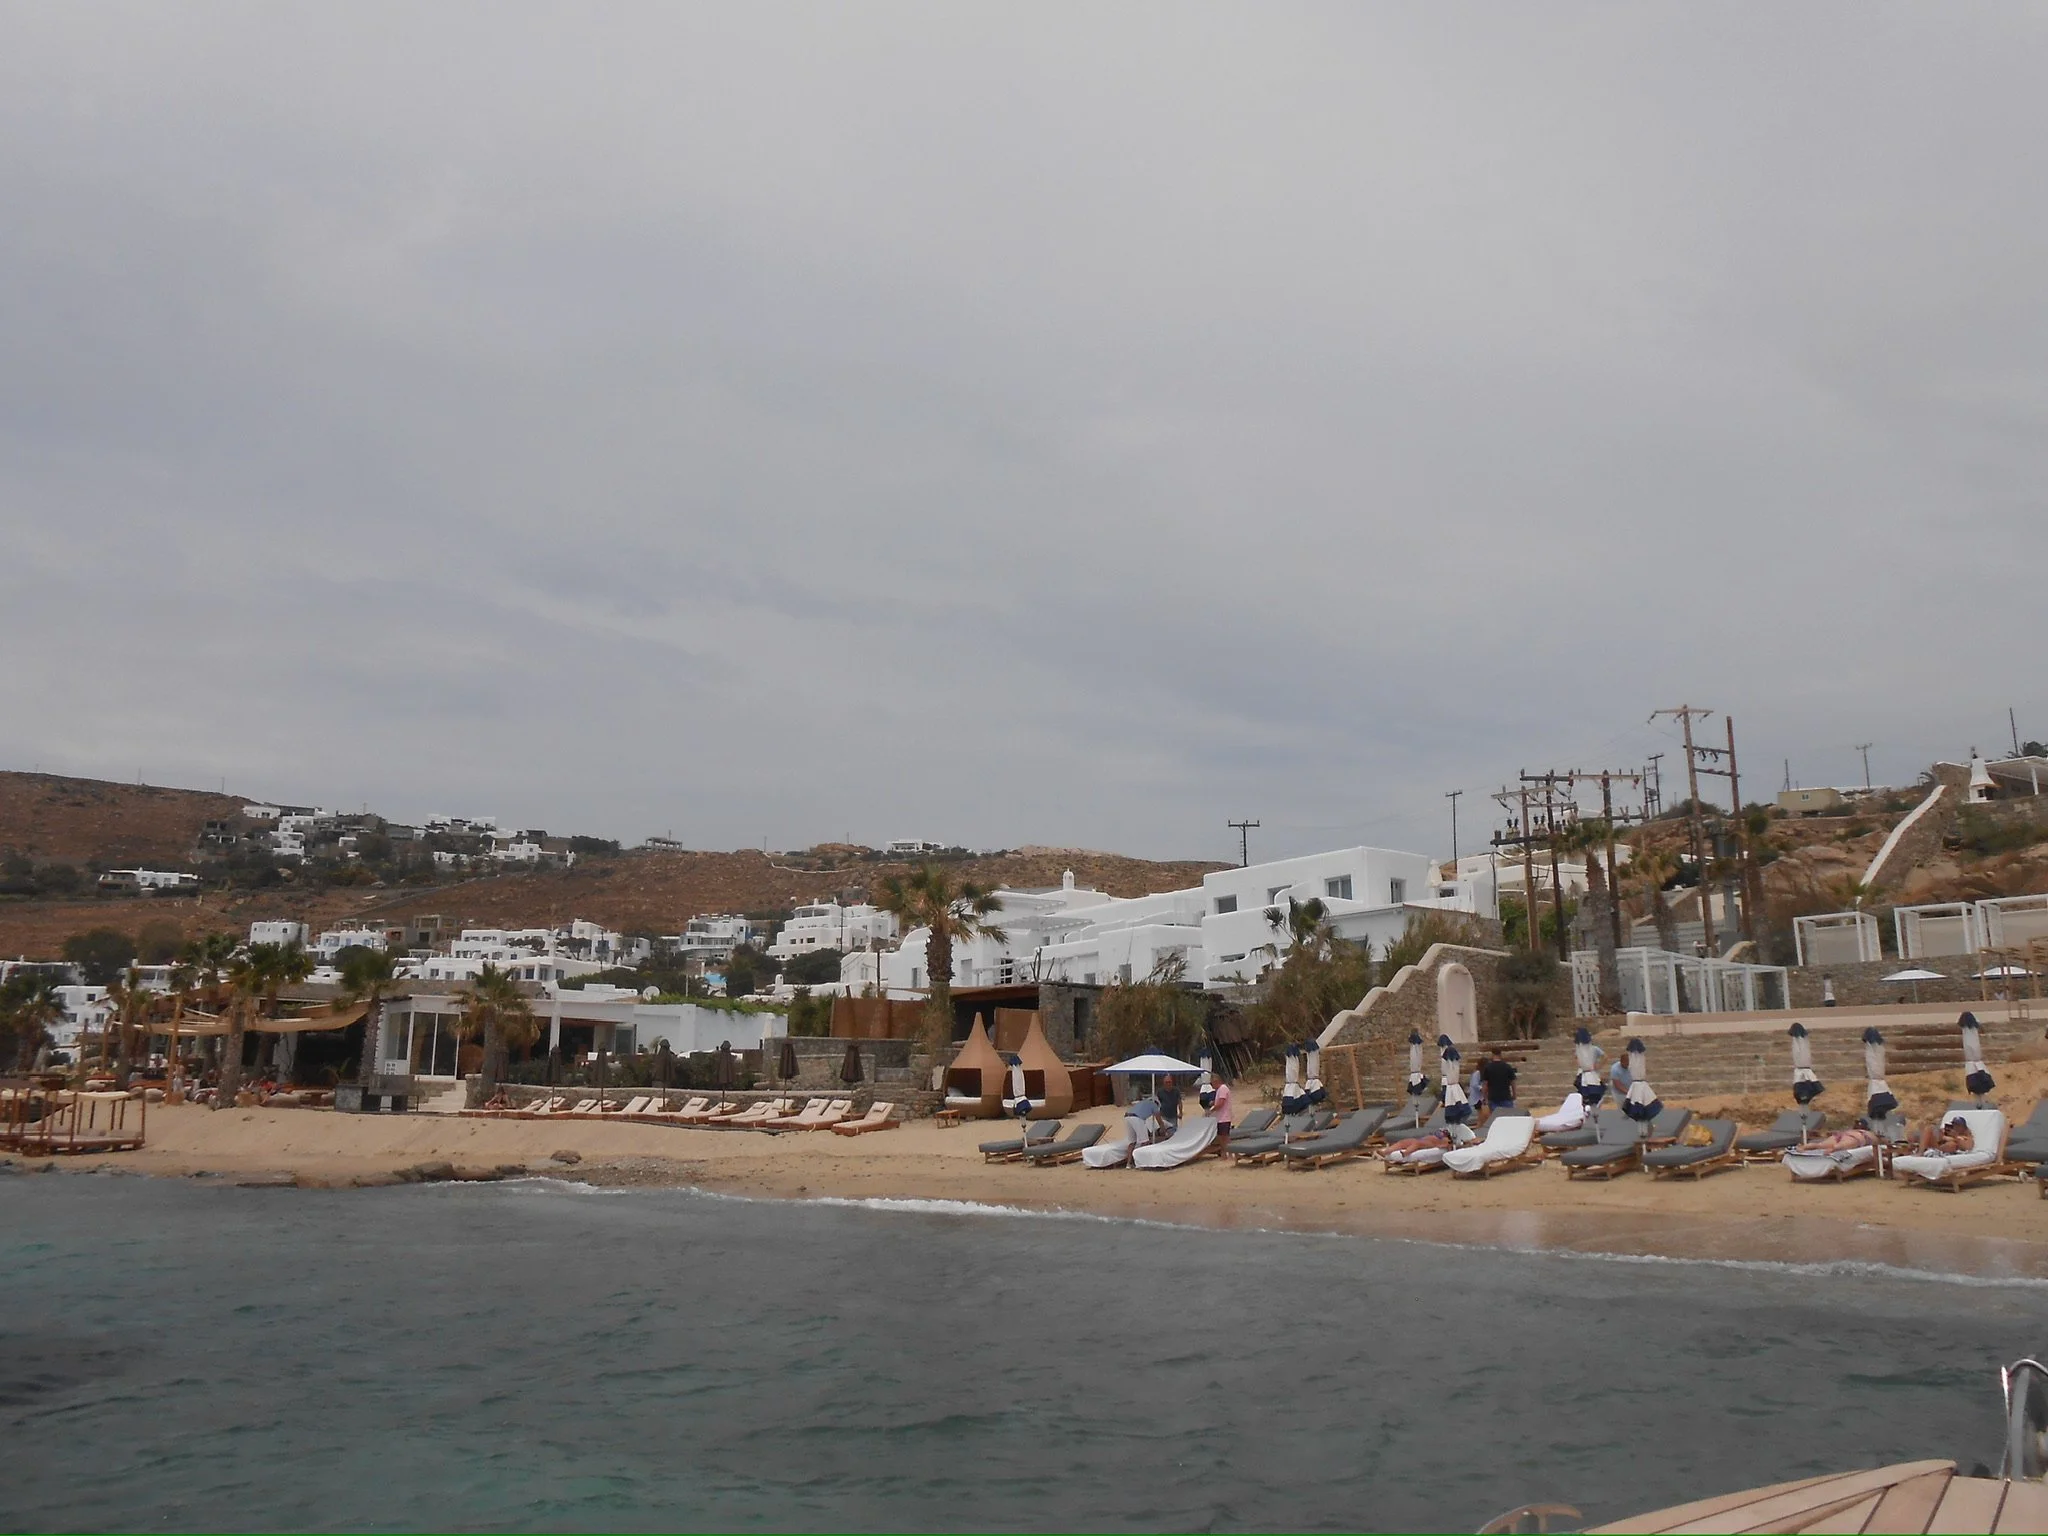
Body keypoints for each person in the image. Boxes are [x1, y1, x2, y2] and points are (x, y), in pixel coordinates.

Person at [1477, 1047, 1517, 1116]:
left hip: (1493, 1097)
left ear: (1492, 1054)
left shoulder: (1488, 1068)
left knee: (1496, 1118)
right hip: (1506, 1096)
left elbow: (1485, 1084)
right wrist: (1514, 1094)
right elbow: (1513, 1082)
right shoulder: (1507, 1067)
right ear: (1500, 1054)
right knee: (1508, 1117)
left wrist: (1485, 1097)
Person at [1906, 1115, 1973, 1156]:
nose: (1955, 1127)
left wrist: (1955, 1137)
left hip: (1946, 1151)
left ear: (1963, 1127)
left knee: (1952, 1144)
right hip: (1938, 1147)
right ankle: (1913, 1150)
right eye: (1954, 1124)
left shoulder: (1967, 1137)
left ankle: (1920, 1152)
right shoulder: (1948, 1132)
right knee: (1924, 1129)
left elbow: (1968, 1147)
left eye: (1958, 1125)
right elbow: (1938, 1139)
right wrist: (1942, 1136)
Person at [1201, 1075, 1233, 1151]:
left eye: (1212, 1084)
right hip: (1220, 1117)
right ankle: (1224, 1153)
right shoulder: (1219, 1090)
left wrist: (1211, 1110)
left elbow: (1221, 1103)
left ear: (1216, 1082)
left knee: (1224, 1137)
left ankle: (1230, 1153)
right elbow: (1219, 1101)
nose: (1212, 1086)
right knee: (1221, 1137)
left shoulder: (1222, 1089)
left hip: (1224, 1117)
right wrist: (1213, 1103)